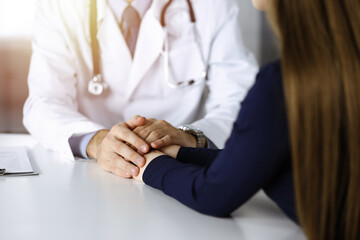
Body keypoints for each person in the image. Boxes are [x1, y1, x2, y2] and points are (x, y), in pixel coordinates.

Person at [134, 0, 360, 239]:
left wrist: (147, 164)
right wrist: (180, 153)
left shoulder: (280, 86)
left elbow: (213, 194)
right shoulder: (340, 70)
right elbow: (250, 160)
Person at [23, 0, 258, 177]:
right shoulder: (60, 6)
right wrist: (97, 141)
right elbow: (44, 102)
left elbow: (242, 98)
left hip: (181, 168)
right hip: (90, 173)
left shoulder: (211, 5)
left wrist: (192, 137)